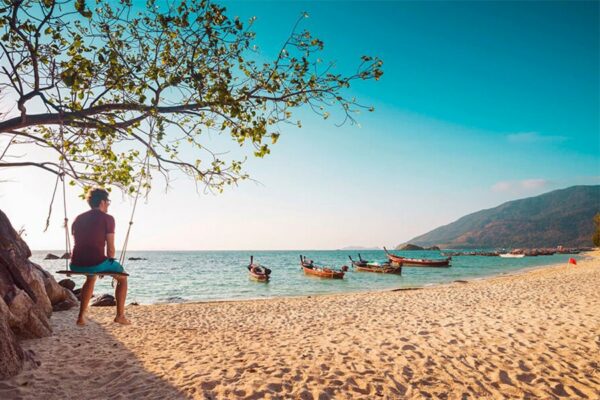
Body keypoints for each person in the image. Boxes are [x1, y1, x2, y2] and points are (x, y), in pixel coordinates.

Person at [70, 188, 130, 326]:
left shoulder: (78, 218)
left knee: (91, 277)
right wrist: (107, 265)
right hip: (97, 263)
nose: (108, 204)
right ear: (102, 202)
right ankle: (120, 316)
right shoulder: (108, 219)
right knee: (122, 277)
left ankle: (81, 317)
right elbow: (110, 249)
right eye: (108, 201)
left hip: (75, 263)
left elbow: (84, 241)